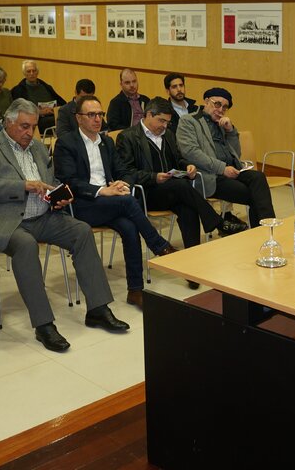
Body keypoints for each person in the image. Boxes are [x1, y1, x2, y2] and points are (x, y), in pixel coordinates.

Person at [0, 99, 130, 351]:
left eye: (33, 127)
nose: (29, 133)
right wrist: (23, 186)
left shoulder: (38, 148)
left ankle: (98, 309)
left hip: (45, 216)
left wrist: (59, 196)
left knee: (81, 231)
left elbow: (51, 181)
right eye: (24, 126)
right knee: (26, 245)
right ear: (8, 123)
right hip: (9, 221)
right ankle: (44, 324)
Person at [54, 95, 176, 308]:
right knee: (128, 202)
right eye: (91, 115)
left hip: (109, 204)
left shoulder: (107, 142)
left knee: (130, 227)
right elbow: (69, 181)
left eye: (100, 114)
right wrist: (103, 191)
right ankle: (158, 245)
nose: (97, 119)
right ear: (79, 118)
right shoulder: (66, 143)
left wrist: (122, 183)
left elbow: (124, 170)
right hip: (81, 205)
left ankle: (135, 290)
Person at [116, 97, 247, 255]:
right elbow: (126, 172)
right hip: (147, 193)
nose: (164, 126)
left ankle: (193, 257)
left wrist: (187, 167)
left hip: (172, 191)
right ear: (149, 115)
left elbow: (178, 159)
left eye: (167, 122)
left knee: (188, 208)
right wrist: (154, 177)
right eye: (161, 121)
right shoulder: (128, 137)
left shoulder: (168, 134)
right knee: (182, 186)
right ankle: (218, 223)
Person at [175, 87, 275, 228]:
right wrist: (222, 169)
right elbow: (190, 152)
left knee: (258, 177)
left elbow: (236, 154)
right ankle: (267, 230)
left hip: (232, 170)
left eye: (225, 107)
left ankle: (265, 229)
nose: (220, 110)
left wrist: (230, 131)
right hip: (211, 175)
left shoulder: (221, 123)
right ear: (206, 101)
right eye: (217, 104)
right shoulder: (188, 121)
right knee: (256, 195)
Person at [9, 60, 65, 137]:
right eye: (28, 71)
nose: (32, 73)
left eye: (34, 71)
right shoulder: (18, 90)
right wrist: (40, 112)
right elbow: (19, 112)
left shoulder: (46, 87)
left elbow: (62, 103)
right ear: (24, 73)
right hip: (36, 120)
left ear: (37, 72)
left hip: (52, 115)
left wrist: (54, 109)